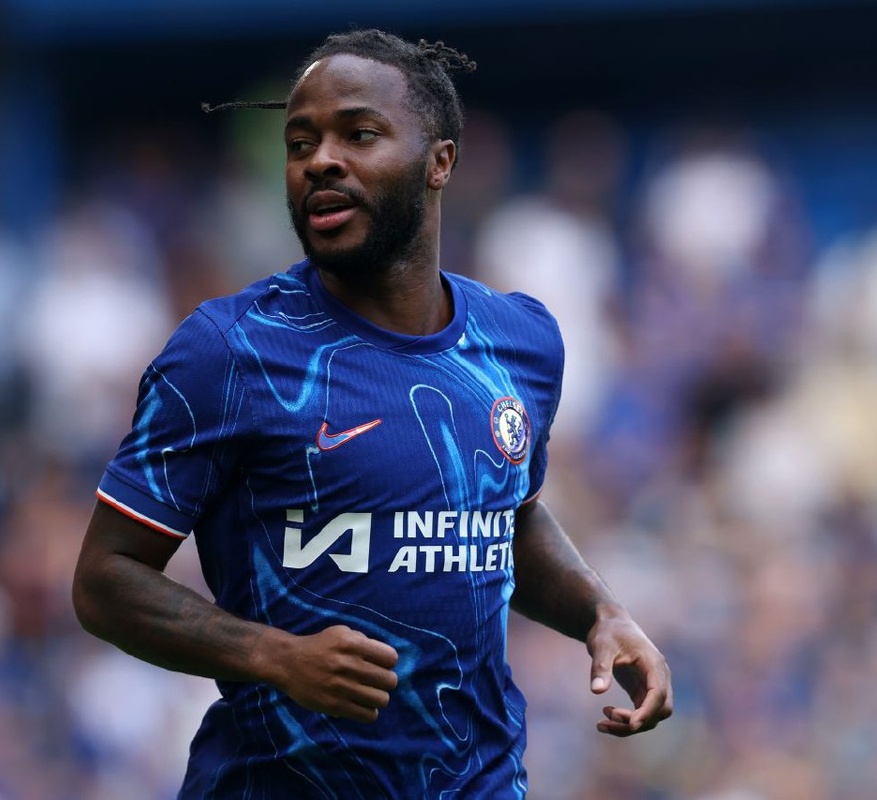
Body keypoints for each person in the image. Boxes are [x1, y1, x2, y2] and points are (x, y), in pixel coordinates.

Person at [72, 28, 672, 799]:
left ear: (439, 161)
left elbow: (504, 516)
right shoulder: (229, 351)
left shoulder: (520, 342)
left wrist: (599, 612)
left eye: (358, 134)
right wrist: (273, 656)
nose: (320, 160)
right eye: (300, 143)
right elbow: (105, 579)